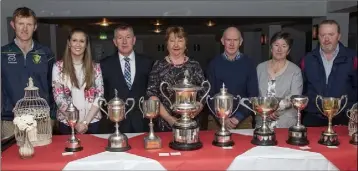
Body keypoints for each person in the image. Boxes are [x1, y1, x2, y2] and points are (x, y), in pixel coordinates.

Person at [1, 7, 55, 139]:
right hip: (10, 120)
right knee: (13, 159)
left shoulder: (45, 53)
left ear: (35, 27)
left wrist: (52, 116)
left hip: (41, 120)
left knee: (42, 158)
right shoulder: (3, 53)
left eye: (29, 24)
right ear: (13, 25)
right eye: (21, 24)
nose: (24, 29)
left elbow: (53, 87)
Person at [147, 26, 206, 132]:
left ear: (185, 43)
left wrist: (197, 108)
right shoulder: (158, 66)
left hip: (191, 124)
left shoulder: (194, 65)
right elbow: (152, 95)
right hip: (164, 125)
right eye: (172, 40)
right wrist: (169, 118)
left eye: (180, 40)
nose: (176, 44)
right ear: (167, 44)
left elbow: (203, 93)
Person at [301, 20, 357, 127]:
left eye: (331, 34)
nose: (326, 39)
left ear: (339, 36)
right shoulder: (307, 59)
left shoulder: (353, 58)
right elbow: (302, 89)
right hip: (314, 117)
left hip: (344, 118)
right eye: (323, 35)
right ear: (318, 36)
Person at [100, 23, 153, 133]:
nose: (124, 42)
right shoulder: (104, 65)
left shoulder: (148, 62)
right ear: (115, 42)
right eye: (120, 38)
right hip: (115, 125)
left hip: (143, 123)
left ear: (134, 40)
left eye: (128, 37)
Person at [52, 28, 104, 134]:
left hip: (92, 122)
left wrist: (85, 123)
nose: (78, 44)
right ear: (69, 43)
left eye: (82, 41)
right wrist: (75, 123)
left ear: (86, 45)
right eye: (74, 40)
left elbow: (99, 95)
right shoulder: (58, 67)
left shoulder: (95, 67)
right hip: (67, 123)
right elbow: (59, 97)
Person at [206, 26, 259, 129]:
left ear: (241, 42)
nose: (231, 43)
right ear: (222, 41)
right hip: (216, 120)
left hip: (243, 120)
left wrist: (238, 117)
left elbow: (253, 95)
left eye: (235, 40)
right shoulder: (213, 64)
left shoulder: (249, 64)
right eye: (228, 40)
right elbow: (209, 95)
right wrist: (222, 118)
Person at [256, 31, 303, 128]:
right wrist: (265, 110)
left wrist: (274, 109)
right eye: (276, 45)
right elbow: (255, 94)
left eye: (284, 46)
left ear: (288, 50)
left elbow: (294, 97)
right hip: (262, 121)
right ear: (271, 48)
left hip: (285, 122)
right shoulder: (260, 68)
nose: (279, 49)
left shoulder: (295, 71)